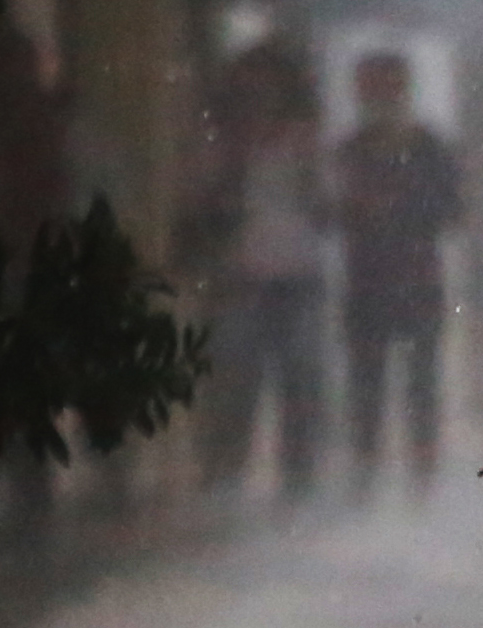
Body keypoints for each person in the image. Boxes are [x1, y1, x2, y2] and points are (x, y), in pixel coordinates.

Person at [181, 41, 328, 496]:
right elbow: (201, 204)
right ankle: (226, 468)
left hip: (297, 271)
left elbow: (324, 204)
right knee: (234, 376)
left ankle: (298, 474)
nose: (259, 96)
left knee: (299, 377)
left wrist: (306, 167)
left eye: (267, 86)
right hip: (240, 274)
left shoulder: (306, 140)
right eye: (249, 87)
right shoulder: (221, 141)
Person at [330, 51, 464, 490]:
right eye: (369, 87)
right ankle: (365, 463)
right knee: (366, 379)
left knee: (421, 380)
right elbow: (329, 213)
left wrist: (404, 204)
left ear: (403, 90)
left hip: (418, 278)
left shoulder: (430, 147)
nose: (376, 96)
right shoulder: (349, 150)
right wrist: (356, 206)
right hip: (366, 280)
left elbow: (453, 210)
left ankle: (422, 467)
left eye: (386, 86)